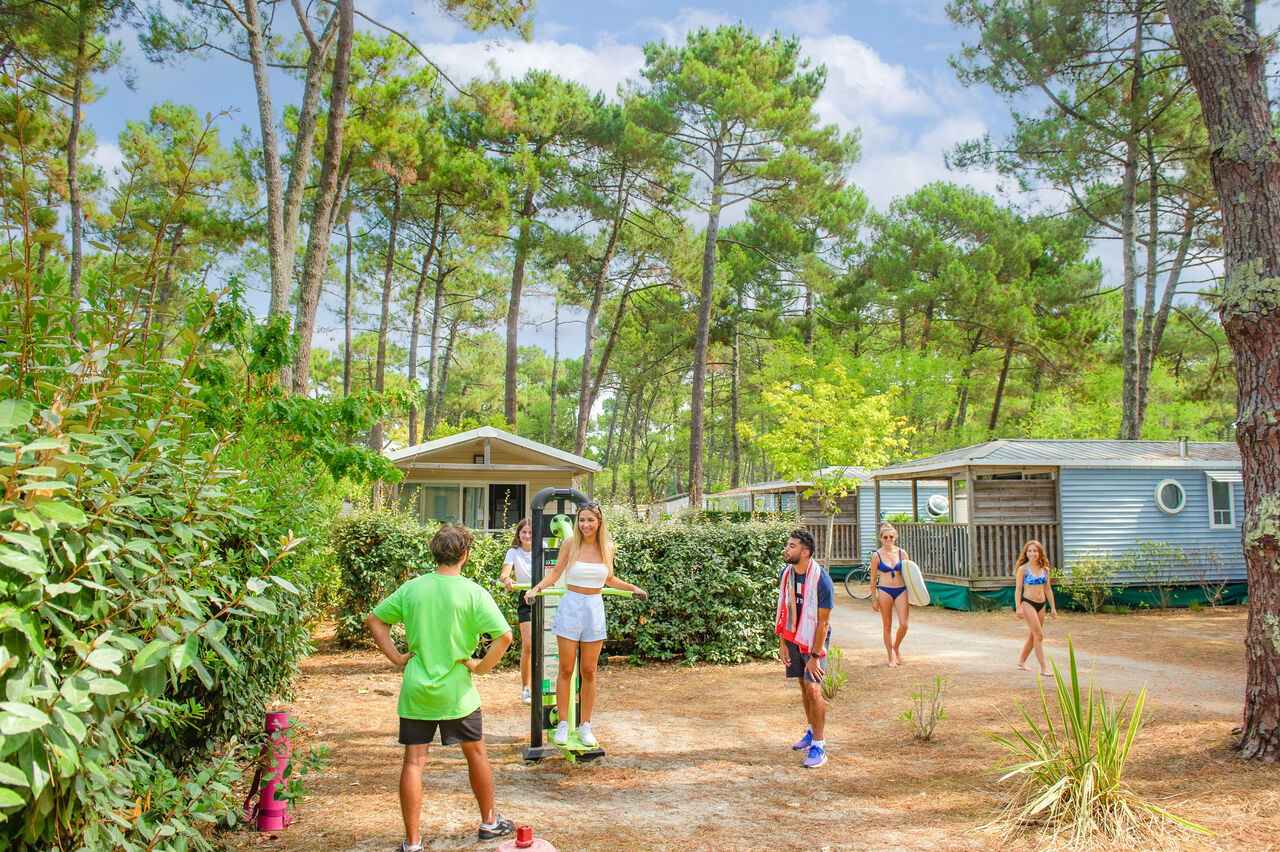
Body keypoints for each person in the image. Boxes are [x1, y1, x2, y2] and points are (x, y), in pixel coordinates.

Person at [366, 523, 516, 851]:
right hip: (457, 694)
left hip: (417, 690)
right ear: (464, 555)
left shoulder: (413, 589)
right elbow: (505, 637)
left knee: (414, 762)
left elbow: (374, 620)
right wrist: (480, 667)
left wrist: (397, 657)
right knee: (476, 755)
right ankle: (490, 823)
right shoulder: (473, 592)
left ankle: (413, 843)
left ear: (435, 553)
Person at [524, 503, 645, 748]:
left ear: (599, 522)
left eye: (590, 520)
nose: (585, 525)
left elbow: (609, 578)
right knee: (566, 670)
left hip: (593, 608)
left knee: (589, 671)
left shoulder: (607, 547)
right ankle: (563, 724)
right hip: (570, 607)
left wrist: (633, 588)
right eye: (581, 520)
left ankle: (585, 725)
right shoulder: (570, 544)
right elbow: (556, 573)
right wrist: (536, 588)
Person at [774, 528, 833, 769]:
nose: (787, 549)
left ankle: (819, 746)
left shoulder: (822, 580)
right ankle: (810, 732)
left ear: (805, 552)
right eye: (788, 545)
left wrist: (815, 657)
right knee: (802, 684)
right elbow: (784, 610)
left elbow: (824, 623)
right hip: (794, 637)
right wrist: (784, 644)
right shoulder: (786, 574)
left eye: (792, 546)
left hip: (815, 640)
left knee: (813, 688)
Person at [498, 518, 534, 704]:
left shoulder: (542, 548)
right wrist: (507, 580)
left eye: (530, 532)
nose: (527, 536)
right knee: (528, 645)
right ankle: (526, 688)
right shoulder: (514, 552)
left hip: (545, 595)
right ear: (518, 535)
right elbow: (505, 573)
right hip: (525, 597)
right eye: (524, 532)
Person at [1014, 539, 1058, 676]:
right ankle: (1044, 667)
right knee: (1039, 635)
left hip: (1041, 605)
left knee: (1033, 635)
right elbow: (1018, 589)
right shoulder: (1023, 569)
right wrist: (1018, 607)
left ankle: (1021, 661)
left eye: (1035, 551)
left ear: (1039, 553)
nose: (1032, 554)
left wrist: (1053, 608)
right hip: (1028, 603)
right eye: (1029, 551)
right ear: (1026, 553)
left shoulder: (1045, 569)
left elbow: (1048, 589)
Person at [869, 523, 910, 668]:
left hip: (901, 590)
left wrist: (916, 596)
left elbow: (910, 575)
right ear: (881, 538)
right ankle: (890, 656)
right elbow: (873, 579)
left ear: (895, 538)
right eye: (885, 537)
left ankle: (896, 646)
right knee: (887, 625)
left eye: (891, 537)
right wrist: (874, 598)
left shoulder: (902, 553)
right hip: (885, 590)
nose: (889, 539)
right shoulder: (877, 555)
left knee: (904, 624)